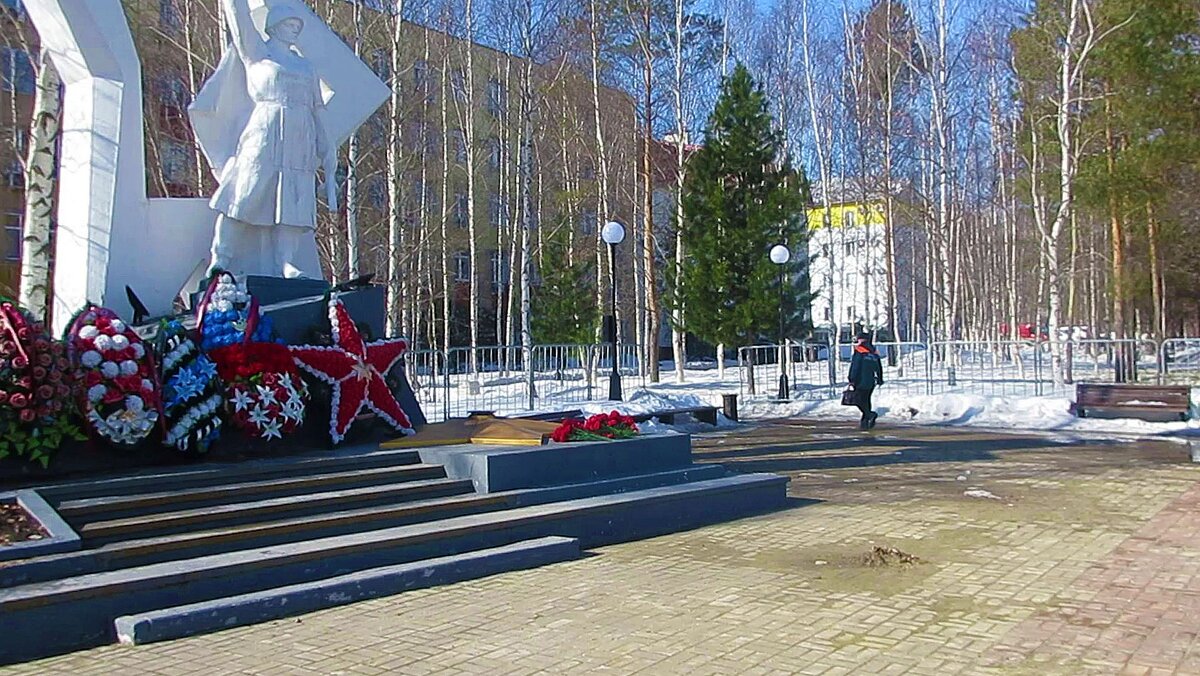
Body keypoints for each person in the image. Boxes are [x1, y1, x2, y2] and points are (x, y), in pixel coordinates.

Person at [202, 0, 338, 279]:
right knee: (244, 190)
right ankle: (221, 257)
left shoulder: (306, 67)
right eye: (289, 24)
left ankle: (285, 262)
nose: (293, 29)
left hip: (301, 135)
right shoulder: (257, 53)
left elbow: (318, 109)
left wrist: (328, 145)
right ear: (274, 26)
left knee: (294, 200)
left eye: (296, 26)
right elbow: (238, 19)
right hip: (265, 126)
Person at [848, 332, 883, 429]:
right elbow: (878, 366)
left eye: (858, 339)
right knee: (866, 400)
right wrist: (880, 378)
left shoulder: (859, 350)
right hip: (871, 380)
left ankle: (870, 414)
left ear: (861, 340)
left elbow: (855, 366)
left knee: (859, 401)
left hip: (860, 380)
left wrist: (851, 379)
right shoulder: (873, 351)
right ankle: (865, 423)